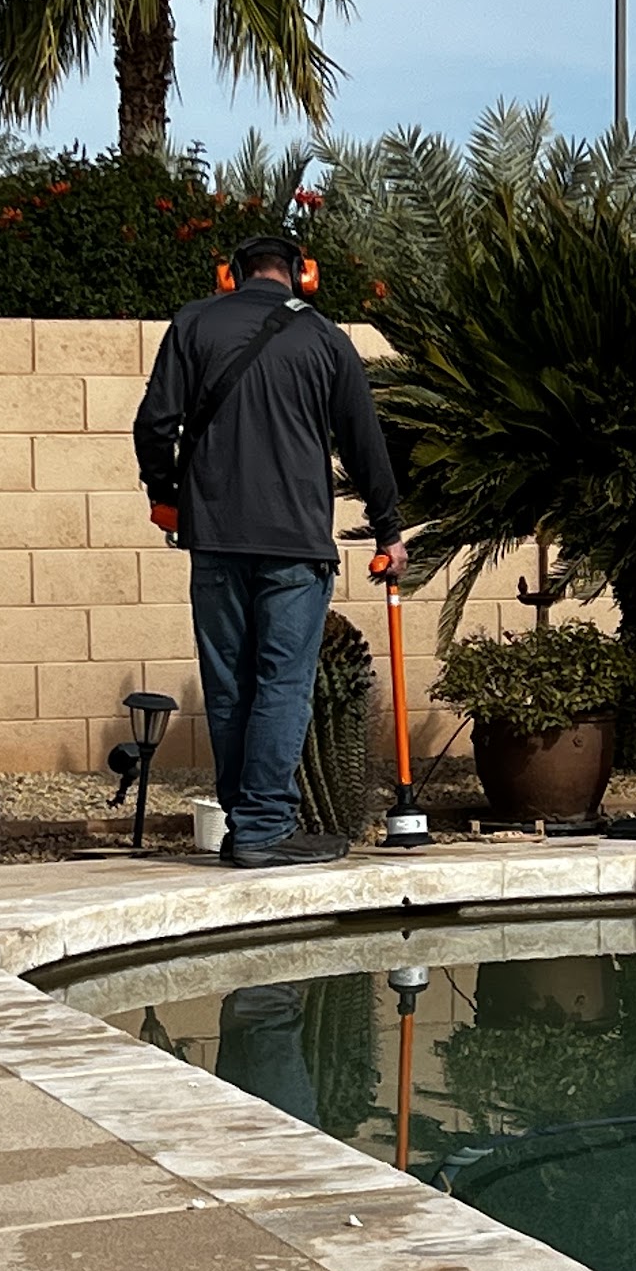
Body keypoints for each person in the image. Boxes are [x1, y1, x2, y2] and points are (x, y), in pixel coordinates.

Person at [134, 236, 406, 868]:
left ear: (230, 277)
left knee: (228, 684)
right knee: (282, 683)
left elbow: (154, 425)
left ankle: (246, 824)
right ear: (303, 276)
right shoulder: (326, 338)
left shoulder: (194, 323)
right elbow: (364, 442)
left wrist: (167, 495)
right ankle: (264, 827)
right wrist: (388, 530)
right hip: (295, 545)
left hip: (214, 540)